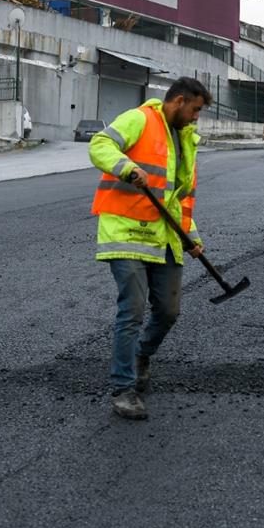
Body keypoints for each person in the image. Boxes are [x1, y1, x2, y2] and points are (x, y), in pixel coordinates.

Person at [88, 77, 211, 420]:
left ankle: (142, 355)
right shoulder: (139, 119)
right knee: (133, 310)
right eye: (195, 110)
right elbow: (99, 144)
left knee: (169, 311)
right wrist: (127, 167)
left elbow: (179, 198)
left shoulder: (185, 139)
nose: (196, 117)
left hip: (166, 238)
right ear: (179, 101)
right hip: (127, 233)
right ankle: (123, 389)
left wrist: (192, 236)